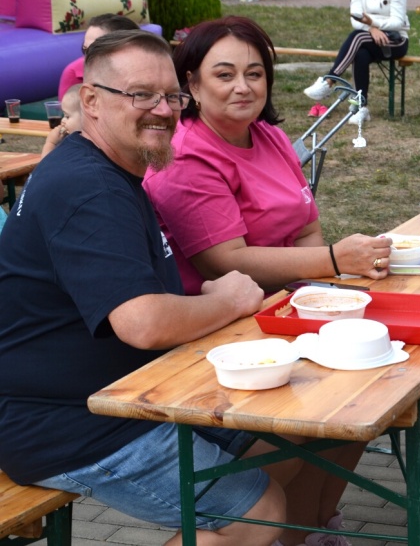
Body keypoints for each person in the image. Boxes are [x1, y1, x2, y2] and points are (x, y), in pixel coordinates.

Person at [0, 30, 288, 545]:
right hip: (69, 425)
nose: (161, 109)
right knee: (258, 509)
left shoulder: (112, 171)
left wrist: (198, 303)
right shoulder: (89, 188)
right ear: (91, 100)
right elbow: (142, 322)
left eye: (171, 96)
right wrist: (227, 300)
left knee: (290, 430)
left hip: (127, 397)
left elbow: (133, 299)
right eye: (139, 95)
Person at [143, 16, 392, 296]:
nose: (243, 87)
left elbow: (307, 232)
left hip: (290, 298)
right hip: (223, 319)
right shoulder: (184, 156)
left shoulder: (268, 134)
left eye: (254, 74)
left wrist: (312, 292)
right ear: (193, 84)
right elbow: (223, 263)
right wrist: (333, 260)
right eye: (225, 75)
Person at [303, 0, 409, 127]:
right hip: (370, 39)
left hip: (395, 41)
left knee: (358, 37)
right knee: (360, 53)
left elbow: (398, 21)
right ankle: (361, 107)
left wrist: (373, 23)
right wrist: (372, 29)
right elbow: (356, 19)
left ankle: (329, 81)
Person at [57, 13, 140, 100]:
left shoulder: (148, 72)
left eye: (95, 50)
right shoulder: (75, 73)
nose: (88, 57)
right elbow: (70, 111)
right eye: (84, 49)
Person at [42, 83, 81, 157]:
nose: (63, 120)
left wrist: (50, 143)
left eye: (67, 116)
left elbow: (46, 165)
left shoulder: (74, 144)